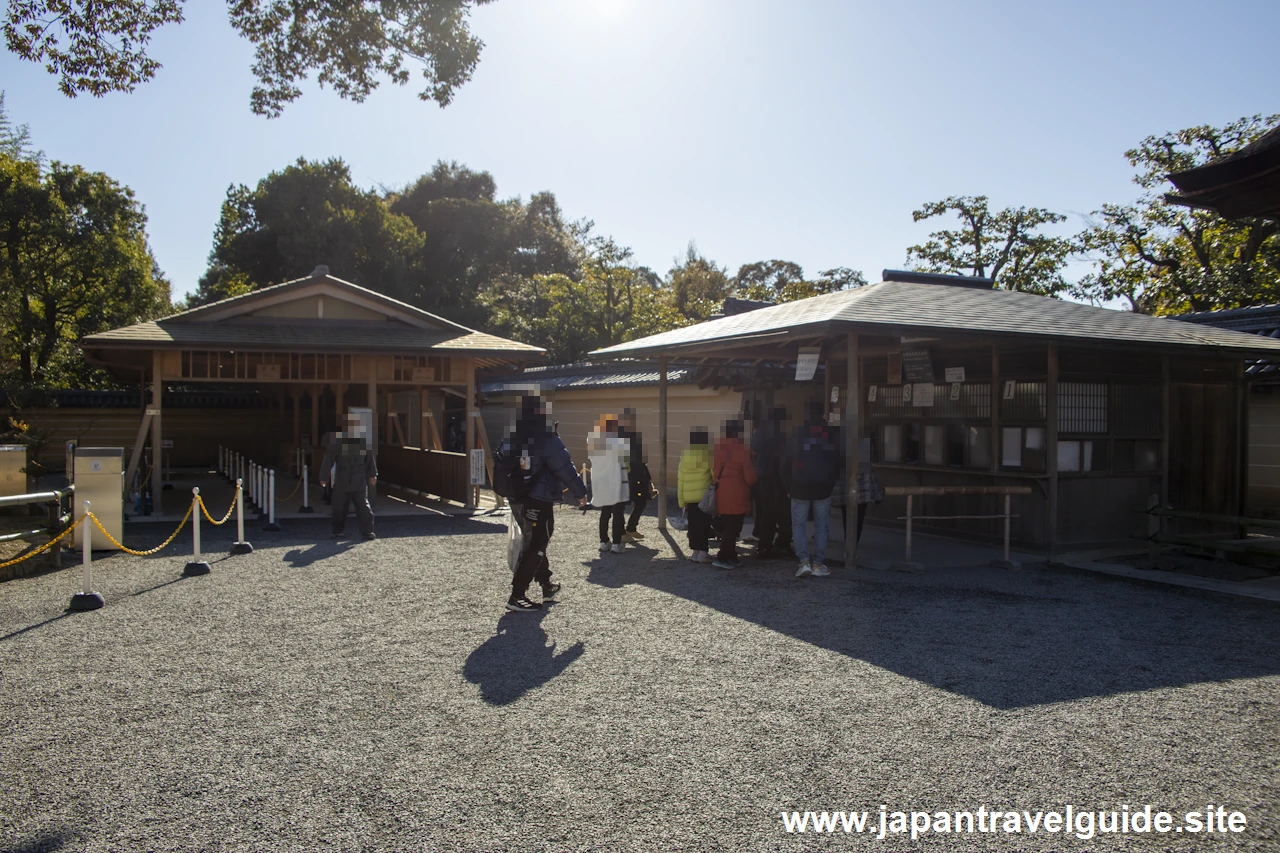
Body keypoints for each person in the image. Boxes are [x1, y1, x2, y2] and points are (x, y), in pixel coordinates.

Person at [504, 394, 588, 612]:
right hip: (538, 499)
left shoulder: (513, 434)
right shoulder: (546, 436)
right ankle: (517, 595)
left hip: (516, 497)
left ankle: (546, 585)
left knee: (535, 542)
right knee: (537, 544)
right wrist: (581, 493)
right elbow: (564, 468)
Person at [787, 401, 842, 578]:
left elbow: (786, 461)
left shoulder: (797, 433)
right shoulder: (831, 434)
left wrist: (788, 484)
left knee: (799, 524)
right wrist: (832, 480)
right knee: (821, 526)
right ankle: (818, 564)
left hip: (799, 486)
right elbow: (839, 459)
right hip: (823, 487)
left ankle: (803, 562)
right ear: (823, 415)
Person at [319, 413, 378, 540]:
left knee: (363, 507)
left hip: (359, 481)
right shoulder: (337, 442)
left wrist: (372, 475)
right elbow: (328, 459)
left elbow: (369, 461)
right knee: (339, 508)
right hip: (342, 480)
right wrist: (324, 477)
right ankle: (337, 531)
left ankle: (368, 531)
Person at [711, 419, 756, 569]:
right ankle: (724, 556)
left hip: (721, 491)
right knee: (734, 527)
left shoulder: (717, 448)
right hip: (737, 493)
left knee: (727, 526)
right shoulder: (742, 450)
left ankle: (729, 555)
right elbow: (749, 477)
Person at [750, 406, 791, 558]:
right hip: (775, 476)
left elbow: (753, 448)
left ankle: (765, 544)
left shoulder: (761, 430)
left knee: (766, 511)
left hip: (762, 474)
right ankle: (779, 543)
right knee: (780, 511)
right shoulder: (778, 432)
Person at [588, 414, 630, 555]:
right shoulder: (617, 442)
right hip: (616, 480)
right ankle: (617, 543)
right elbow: (626, 457)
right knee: (618, 513)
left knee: (605, 512)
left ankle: (604, 541)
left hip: (601, 481)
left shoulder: (594, 442)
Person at [677, 427, 714, 563]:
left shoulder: (685, 456)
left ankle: (695, 552)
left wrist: (681, 501)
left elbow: (680, 480)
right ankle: (703, 553)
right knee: (704, 525)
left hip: (689, 498)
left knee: (693, 525)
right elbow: (714, 475)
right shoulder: (709, 455)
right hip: (704, 496)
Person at [618, 409, 651, 543]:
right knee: (621, 505)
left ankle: (630, 528)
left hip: (638, 475)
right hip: (627, 475)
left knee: (641, 502)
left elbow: (642, 459)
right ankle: (620, 532)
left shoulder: (634, 435)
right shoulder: (620, 437)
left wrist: (648, 478)